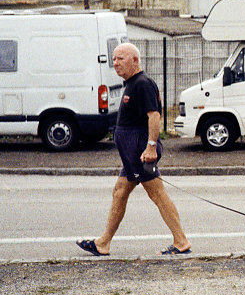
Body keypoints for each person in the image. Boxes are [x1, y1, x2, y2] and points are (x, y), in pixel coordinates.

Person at [77, 42, 191, 256]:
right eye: (114, 58)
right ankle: (103, 243)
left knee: (157, 194)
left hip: (141, 150)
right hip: (132, 152)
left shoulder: (142, 83)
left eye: (120, 58)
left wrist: (150, 148)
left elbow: (154, 116)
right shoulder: (131, 83)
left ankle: (181, 241)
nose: (115, 62)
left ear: (135, 60)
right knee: (120, 192)